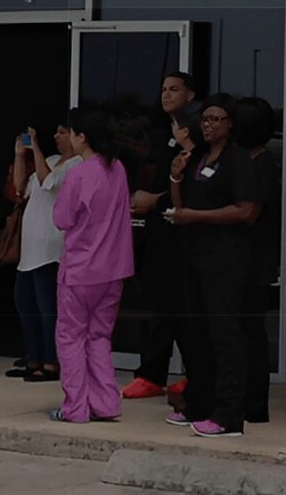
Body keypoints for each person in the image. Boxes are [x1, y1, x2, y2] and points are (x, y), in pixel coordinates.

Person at [167, 94, 260, 439]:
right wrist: (176, 179)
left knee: (225, 338)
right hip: (196, 258)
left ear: (230, 124)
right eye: (204, 120)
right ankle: (199, 405)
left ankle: (228, 416)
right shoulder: (198, 158)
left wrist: (197, 217)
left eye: (216, 119)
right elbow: (182, 209)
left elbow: (246, 210)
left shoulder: (238, 161)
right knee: (198, 337)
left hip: (226, 262)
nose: (208, 125)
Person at [49, 108, 135, 424]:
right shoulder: (118, 168)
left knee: (71, 337)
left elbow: (61, 218)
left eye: (71, 132)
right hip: (114, 270)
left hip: (81, 269)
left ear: (82, 137)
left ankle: (75, 407)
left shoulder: (78, 174)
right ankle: (105, 402)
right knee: (99, 337)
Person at [125, 71, 199, 401]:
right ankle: (152, 374)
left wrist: (155, 200)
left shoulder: (195, 132)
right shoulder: (161, 132)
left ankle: (192, 375)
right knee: (158, 304)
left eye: (174, 89)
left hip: (183, 233)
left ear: (190, 95)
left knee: (180, 307)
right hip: (158, 232)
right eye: (163, 89)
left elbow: (196, 185)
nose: (166, 95)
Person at [11, 118, 82, 383]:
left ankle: (53, 362)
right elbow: (22, 188)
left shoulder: (78, 165)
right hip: (30, 248)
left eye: (63, 132)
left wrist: (37, 148)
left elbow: (48, 182)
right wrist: (20, 155)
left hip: (52, 247)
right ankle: (34, 357)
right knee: (25, 304)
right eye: (56, 132)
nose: (57, 137)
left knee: (48, 308)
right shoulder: (51, 159)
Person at [236, 97, 280, 425]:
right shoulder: (243, 160)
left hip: (254, 262)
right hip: (240, 260)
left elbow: (250, 213)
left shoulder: (263, 164)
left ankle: (254, 404)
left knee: (251, 333)